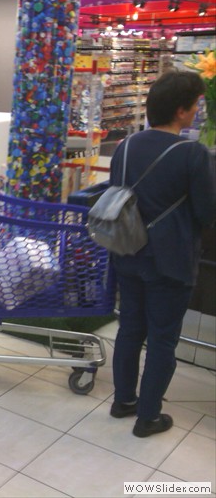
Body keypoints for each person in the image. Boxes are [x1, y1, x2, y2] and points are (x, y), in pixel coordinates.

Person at [109, 70, 216, 438]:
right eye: (196, 105)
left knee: (130, 330)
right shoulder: (192, 153)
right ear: (183, 111)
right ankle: (148, 417)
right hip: (170, 262)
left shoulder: (125, 145)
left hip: (126, 252)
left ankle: (124, 400)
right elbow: (207, 213)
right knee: (162, 339)